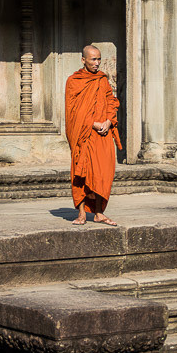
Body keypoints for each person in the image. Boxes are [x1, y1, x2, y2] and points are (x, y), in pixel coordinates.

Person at [65, 45, 121, 226]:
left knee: (103, 173)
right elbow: (72, 111)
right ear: (83, 60)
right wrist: (94, 123)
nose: (97, 63)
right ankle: (81, 214)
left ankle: (98, 212)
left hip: (103, 135)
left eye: (99, 59)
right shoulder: (74, 81)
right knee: (81, 173)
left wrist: (109, 121)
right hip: (84, 134)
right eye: (93, 59)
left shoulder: (102, 80)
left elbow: (111, 102)